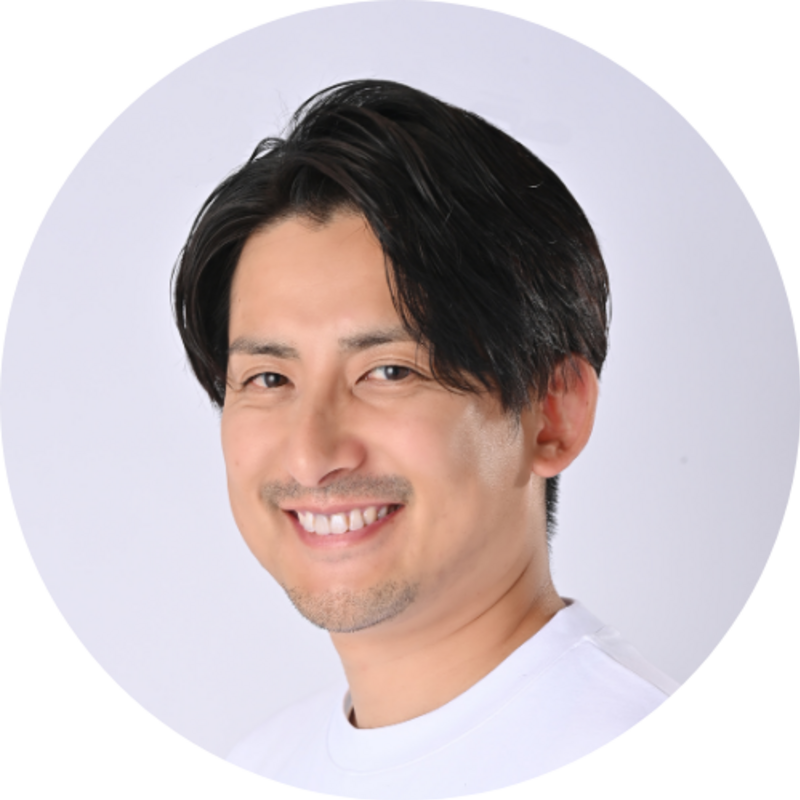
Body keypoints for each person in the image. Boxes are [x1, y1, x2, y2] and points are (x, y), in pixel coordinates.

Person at [172, 79, 679, 793]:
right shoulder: (265, 759)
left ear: (552, 415)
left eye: (388, 371)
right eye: (269, 378)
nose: (311, 456)